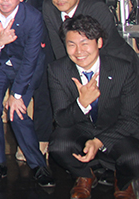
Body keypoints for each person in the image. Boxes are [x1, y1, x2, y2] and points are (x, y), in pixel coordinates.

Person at [0, 0, 55, 187]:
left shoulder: (33, 17)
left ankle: (38, 165)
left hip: (26, 69)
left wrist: (17, 94)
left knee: (16, 112)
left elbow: (31, 59)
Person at [48, 15, 139, 199]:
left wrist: (99, 141)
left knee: (134, 158)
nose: (78, 51)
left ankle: (122, 182)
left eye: (85, 43)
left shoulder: (123, 69)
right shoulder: (57, 70)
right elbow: (61, 119)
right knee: (58, 147)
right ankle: (85, 176)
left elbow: (131, 119)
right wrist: (82, 103)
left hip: (114, 131)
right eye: (71, 44)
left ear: (99, 42)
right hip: (80, 129)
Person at [42, 0, 137, 66]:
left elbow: (100, 49)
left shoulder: (96, 9)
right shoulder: (49, 8)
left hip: (117, 63)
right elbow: (58, 47)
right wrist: (66, 72)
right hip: (80, 65)